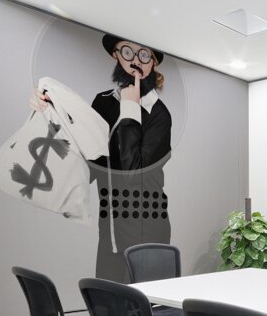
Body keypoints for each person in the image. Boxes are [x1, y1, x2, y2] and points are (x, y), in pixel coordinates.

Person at [31, 34, 172, 282]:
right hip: (110, 231)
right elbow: (89, 165)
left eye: (144, 55)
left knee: (144, 314)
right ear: (115, 55)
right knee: (107, 308)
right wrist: (51, 113)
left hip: (147, 234)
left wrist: (130, 108)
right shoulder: (103, 103)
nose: (136, 61)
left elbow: (131, 173)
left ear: (154, 63)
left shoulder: (158, 115)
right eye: (127, 52)